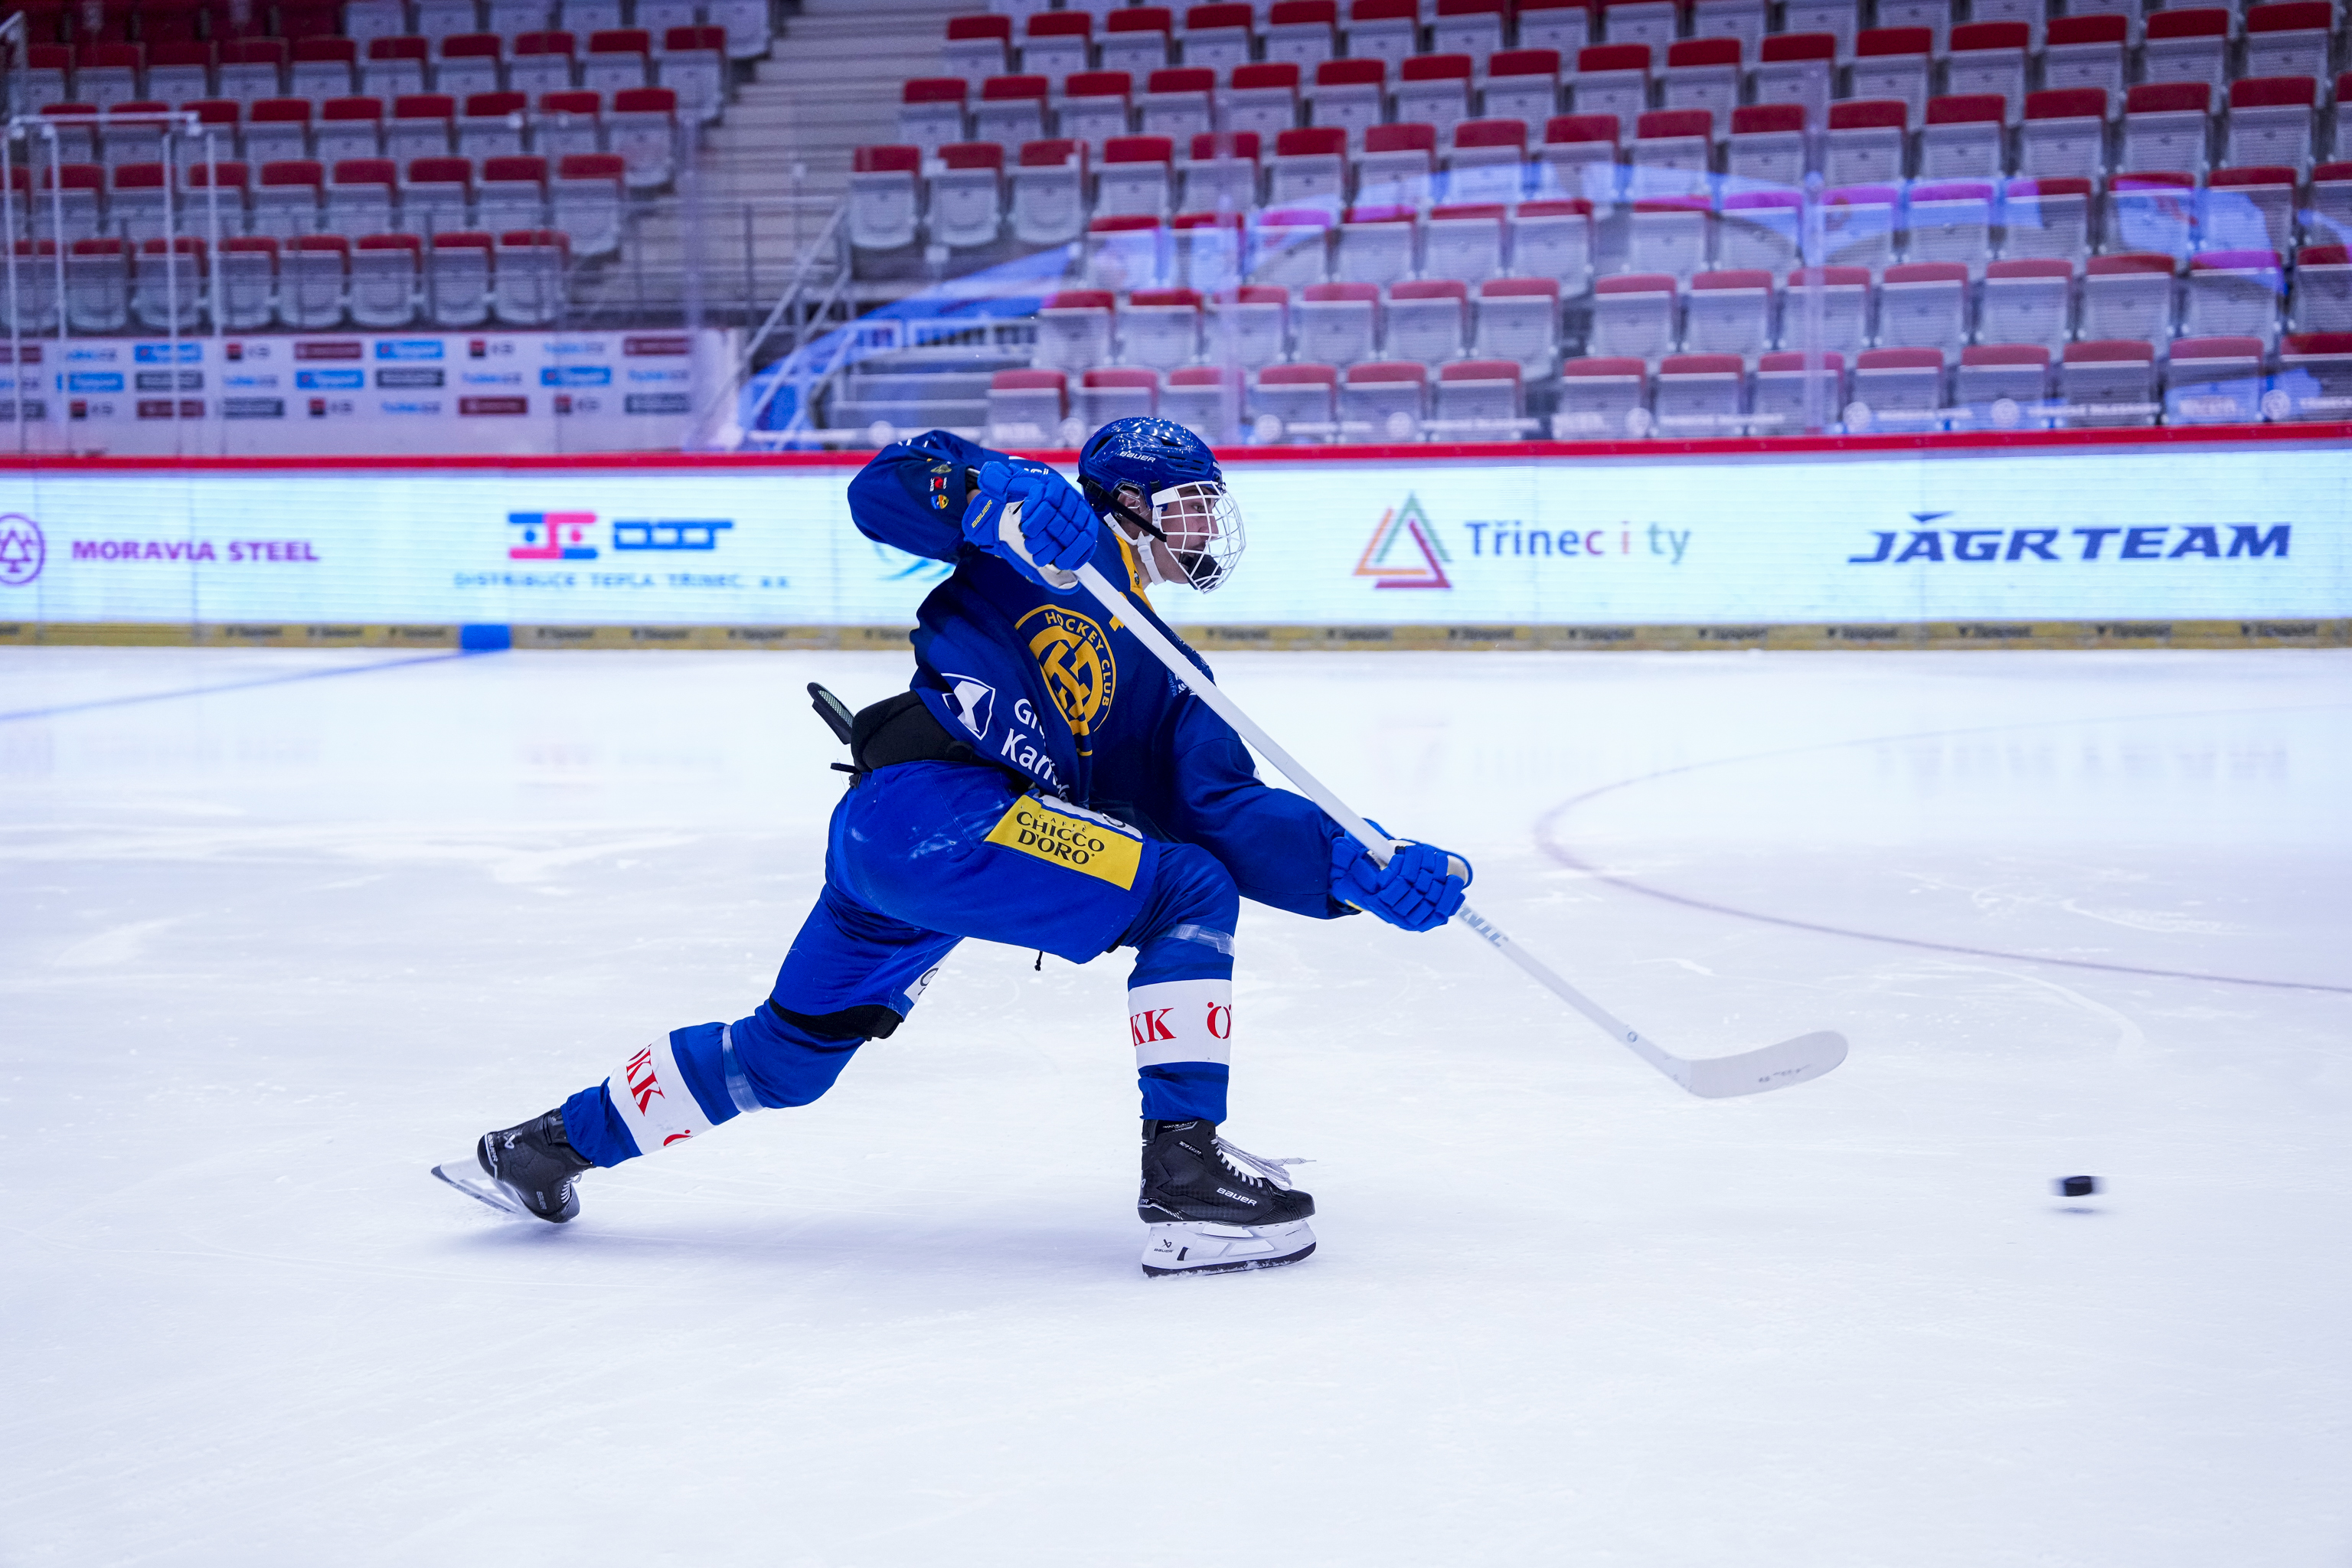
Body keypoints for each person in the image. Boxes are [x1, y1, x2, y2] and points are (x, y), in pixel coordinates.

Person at [447, 418, 1472, 1276]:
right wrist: (995, 492)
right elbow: (885, 491)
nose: (1207, 528)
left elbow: (1226, 810)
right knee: (1186, 891)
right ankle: (1185, 1172)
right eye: (1190, 505)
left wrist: (1355, 865)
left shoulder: (1172, 669)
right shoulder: (1038, 539)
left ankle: (543, 1149)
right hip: (932, 810)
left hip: (929, 843)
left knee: (787, 1060)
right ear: (1126, 503)